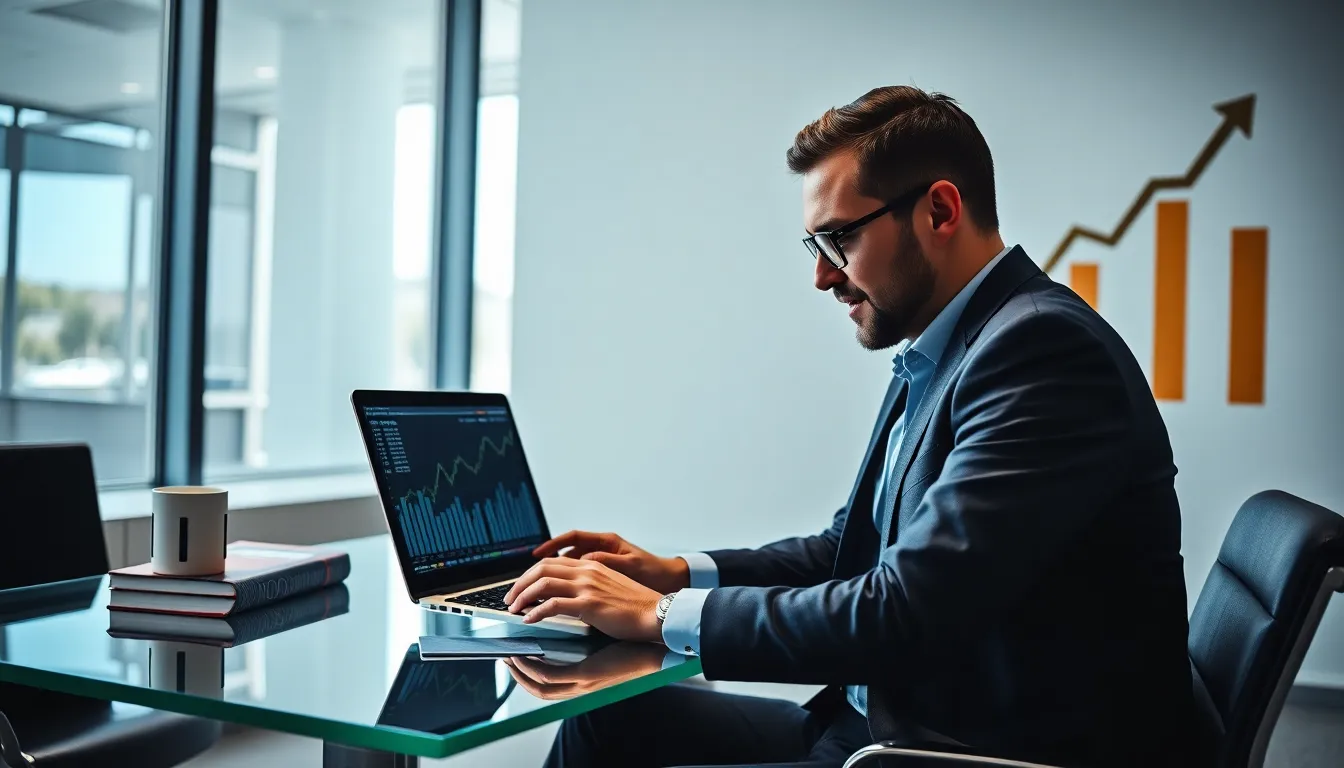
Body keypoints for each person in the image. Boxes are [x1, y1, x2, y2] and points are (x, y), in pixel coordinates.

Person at [503, 85, 1196, 768]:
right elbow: (849, 548)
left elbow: (903, 613)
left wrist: (657, 616)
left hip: (956, 752)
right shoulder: (953, 349)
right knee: (605, 723)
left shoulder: (1041, 353)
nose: (821, 277)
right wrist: (673, 575)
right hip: (880, 726)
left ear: (940, 210)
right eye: (815, 242)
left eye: (838, 239)